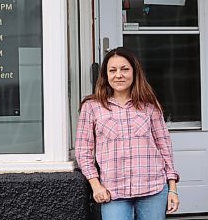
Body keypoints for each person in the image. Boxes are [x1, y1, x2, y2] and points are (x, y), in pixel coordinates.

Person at [75, 47, 179, 220]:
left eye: (124, 69)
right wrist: (96, 186)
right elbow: (83, 151)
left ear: (134, 72)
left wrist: (173, 189)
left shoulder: (149, 105)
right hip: (113, 191)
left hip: (153, 189)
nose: (118, 75)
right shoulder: (92, 106)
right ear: (105, 75)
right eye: (112, 70)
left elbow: (164, 148)